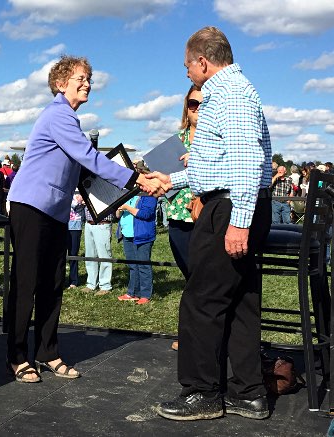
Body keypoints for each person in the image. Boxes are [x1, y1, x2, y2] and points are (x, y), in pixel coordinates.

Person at [6, 54, 162, 383]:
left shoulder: (69, 121)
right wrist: (136, 180)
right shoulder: (57, 115)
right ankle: (17, 355)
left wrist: (122, 189)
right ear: (61, 84)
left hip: (55, 211)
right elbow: (88, 158)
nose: (87, 83)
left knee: (52, 283)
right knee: (26, 283)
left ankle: (47, 352)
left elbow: (82, 174)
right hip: (31, 207)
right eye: (80, 77)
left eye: (89, 78)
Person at [148, 26, 272, 420]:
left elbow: (247, 163)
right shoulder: (232, 92)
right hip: (234, 202)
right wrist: (172, 179)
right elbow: (218, 164)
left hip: (230, 208)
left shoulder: (229, 94)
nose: (186, 72)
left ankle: (202, 392)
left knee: (202, 299)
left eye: (187, 65)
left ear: (202, 61)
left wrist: (239, 222)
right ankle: (248, 392)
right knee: (240, 301)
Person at [165, 86, 201, 351]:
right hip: (177, 216)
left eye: (201, 104)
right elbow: (165, 179)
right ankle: (189, 333)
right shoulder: (175, 140)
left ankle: (201, 335)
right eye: (192, 104)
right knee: (190, 278)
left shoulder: (214, 140)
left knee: (203, 278)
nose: (196, 109)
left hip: (206, 218)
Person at [116, 191, 157, 305]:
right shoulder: (127, 195)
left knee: (143, 265)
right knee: (132, 266)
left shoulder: (149, 195)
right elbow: (117, 216)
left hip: (142, 234)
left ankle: (145, 295)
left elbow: (146, 214)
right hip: (127, 234)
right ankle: (132, 292)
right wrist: (119, 209)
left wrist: (127, 207)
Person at [82, 207, 115, 295]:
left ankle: (105, 286)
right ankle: (91, 284)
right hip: (89, 223)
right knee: (89, 256)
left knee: (104, 256)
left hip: (102, 224)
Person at [67, 192, 85, 288]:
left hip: (75, 227)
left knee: (73, 254)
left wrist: (80, 202)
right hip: (62, 225)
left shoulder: (80, 192)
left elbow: (80, 208)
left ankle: (73, 281)